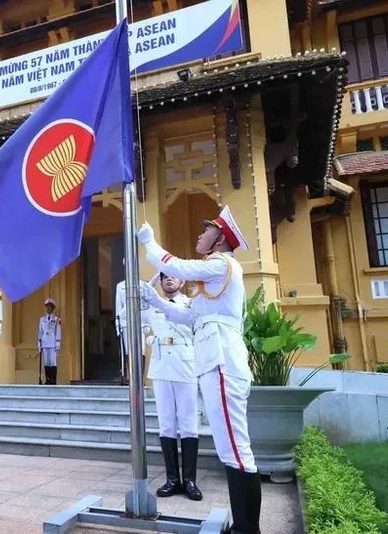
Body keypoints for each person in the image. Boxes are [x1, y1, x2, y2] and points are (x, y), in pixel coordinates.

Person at [137, 206, 261, 534]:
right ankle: (243, 526)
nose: (199, 235)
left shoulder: (221, 264)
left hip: (221, 362)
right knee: (229, 447)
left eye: (205, 230)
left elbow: (177, 266)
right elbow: (187, 316)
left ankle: (248, 529)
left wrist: (150, 244)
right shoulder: (213, 276)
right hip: (212, 364)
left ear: (219, 238)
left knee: (235, 448)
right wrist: (156, 301)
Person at [145, 272, 202, 501]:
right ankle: (172, 480)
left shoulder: (191, 304)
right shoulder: (151, 307)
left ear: (182, 281)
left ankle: (189, 480)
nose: (168, 280)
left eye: (173, 277)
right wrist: (147, 287)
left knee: (189, 423)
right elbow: (128, 317)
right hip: (161, 367)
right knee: (166, 423)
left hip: (185, 365)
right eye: (164, 277)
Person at [38, 298, 62, 385]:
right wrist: (39, 343)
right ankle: (47, 379)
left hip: (52, 342)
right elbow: (40, 332)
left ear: (52, 308)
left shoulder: (56, 319)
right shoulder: (42, 319)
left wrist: (57, 343)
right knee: (46, 361)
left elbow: (58, 331)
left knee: (52, 361)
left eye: (49, 307)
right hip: (45, 342)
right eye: (47, 307)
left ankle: (53, 379)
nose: (48, 308)